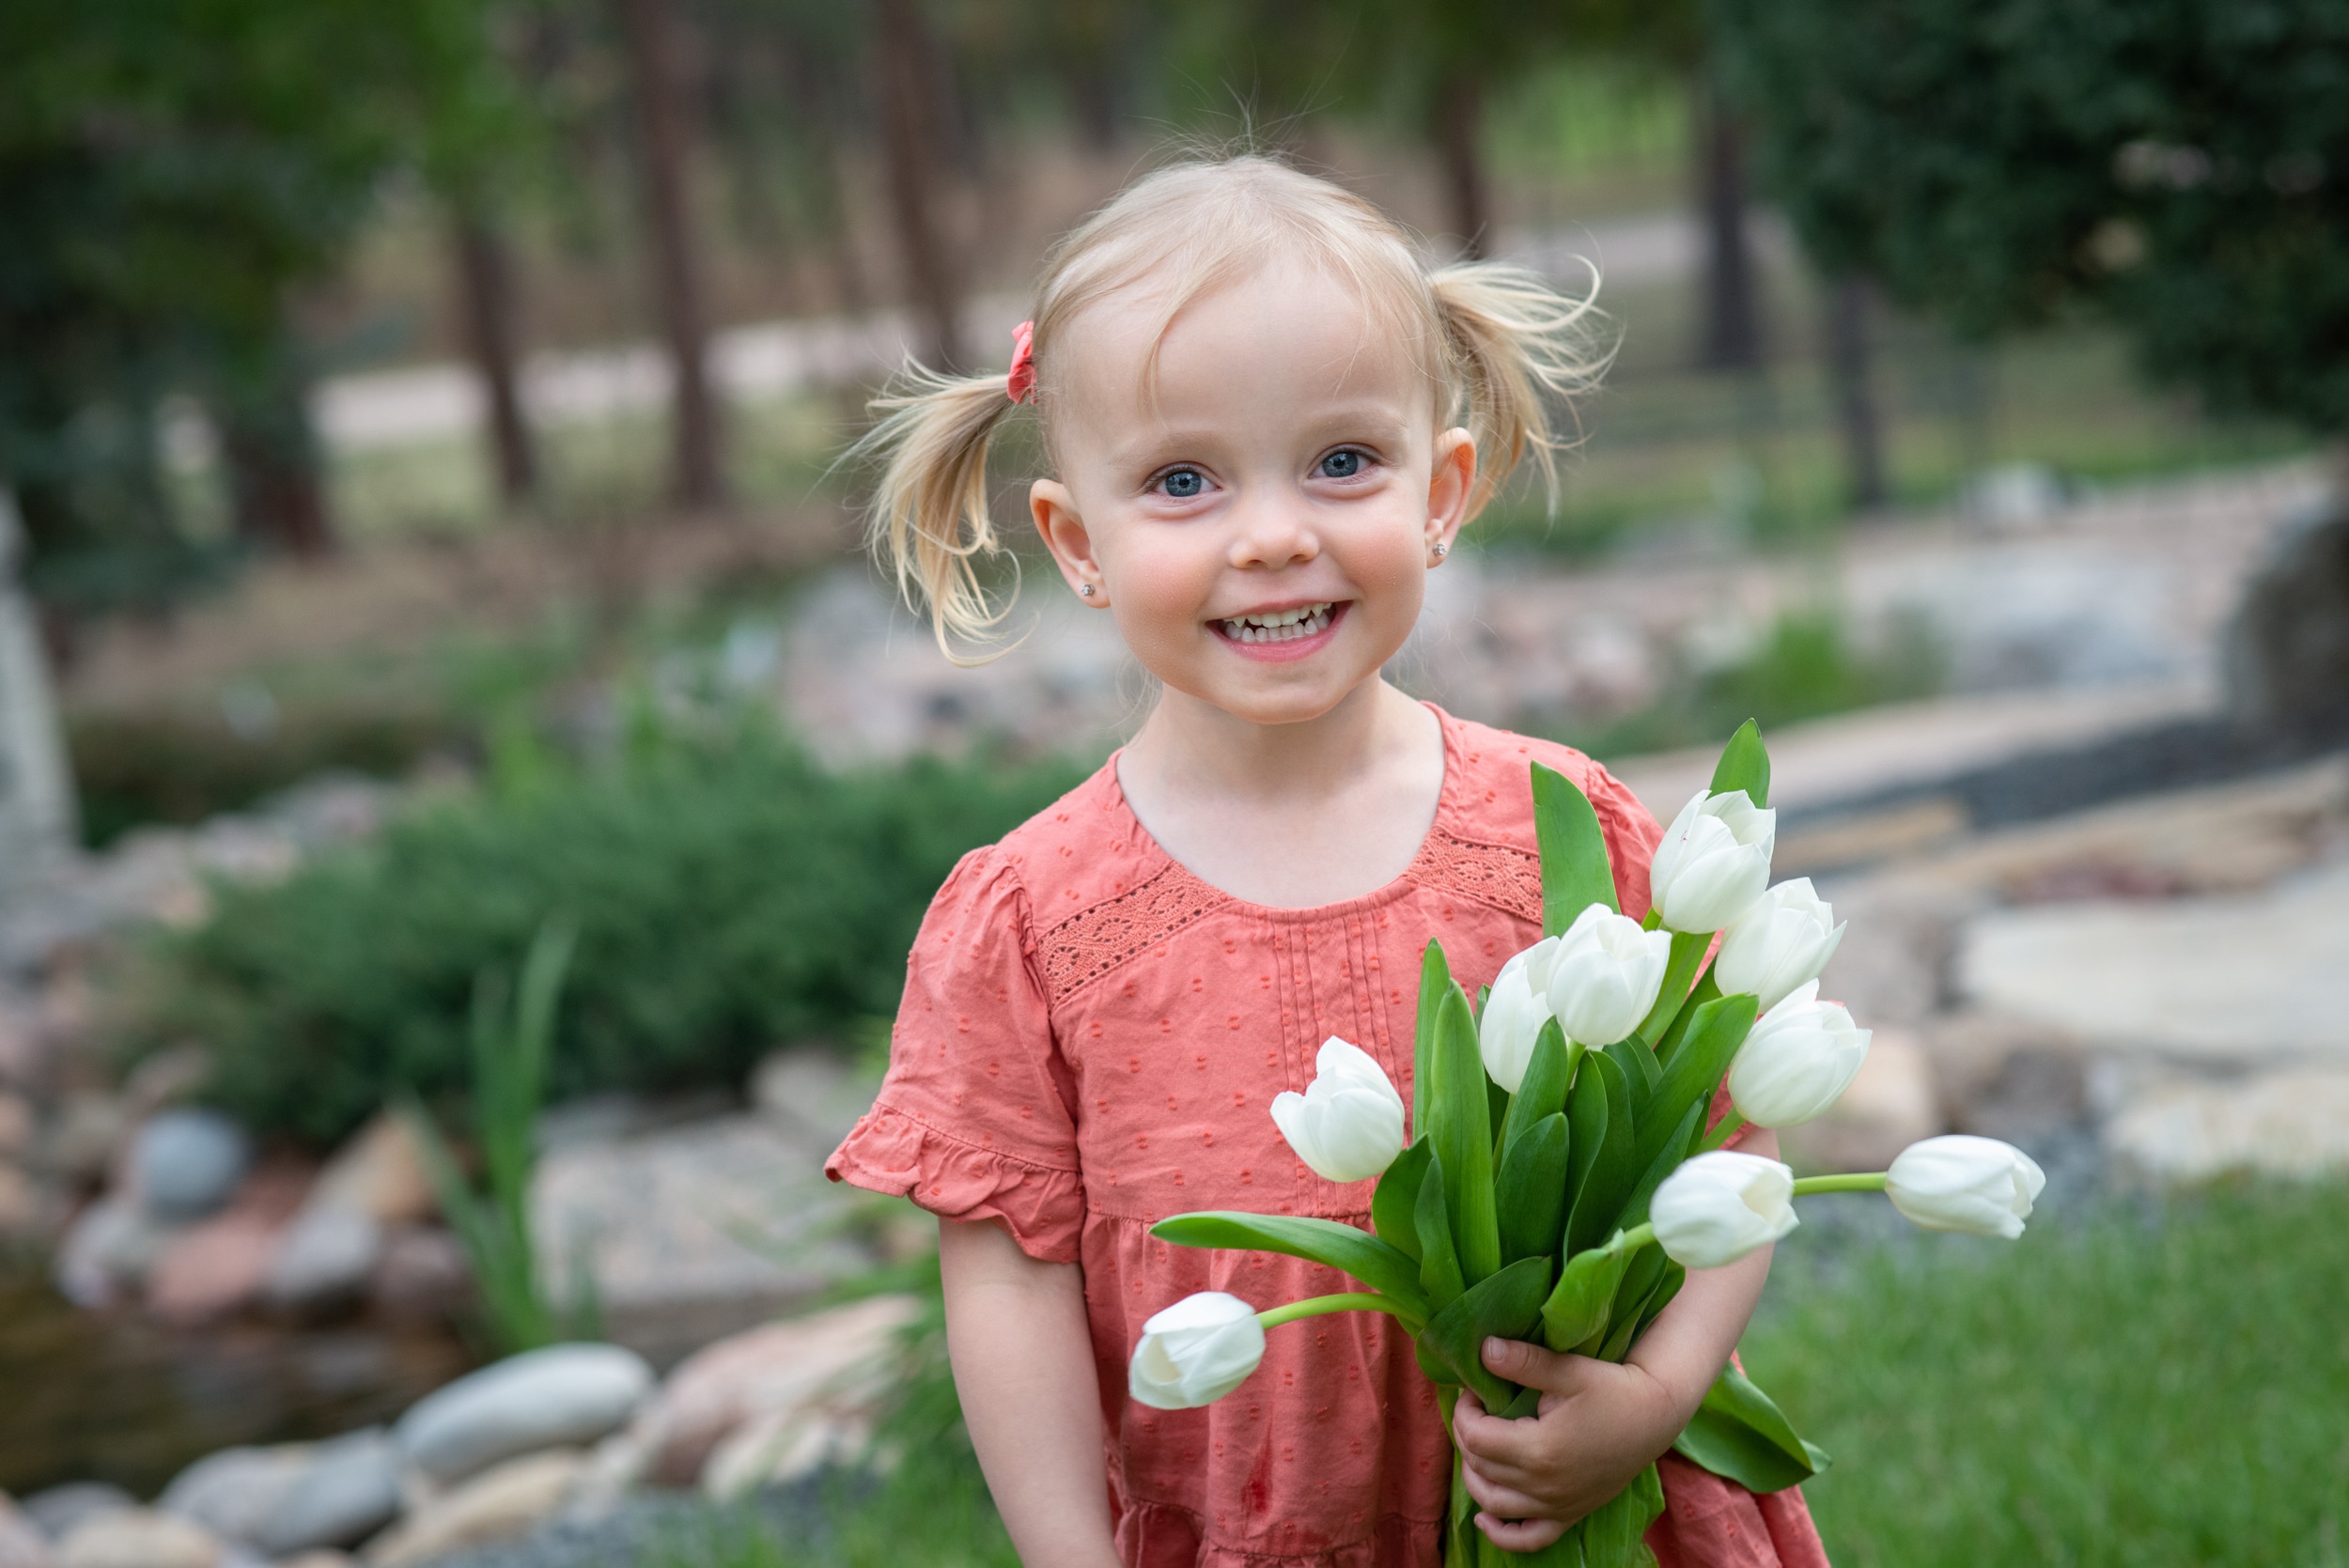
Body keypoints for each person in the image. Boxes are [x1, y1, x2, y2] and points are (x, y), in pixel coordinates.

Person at [826, 154, 1828, 1568]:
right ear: (1078, 542)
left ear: (1444, 489)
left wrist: (1652, 1399)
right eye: (1184, 481)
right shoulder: (1035, 918)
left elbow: (1728, 1138)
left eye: (1343, 461)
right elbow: (1006, 1277)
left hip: (1572, 1510)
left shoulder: (1557, 831)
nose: (1277, 533)